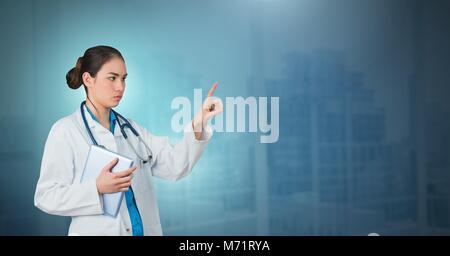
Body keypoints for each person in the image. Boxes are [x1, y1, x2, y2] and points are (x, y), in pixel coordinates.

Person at [34, 45, 223, 235]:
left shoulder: (132, 131)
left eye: (123, 79)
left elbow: (176, 166)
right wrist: (96, 188)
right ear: (88, 79)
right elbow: (46, 196)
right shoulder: (66, 131)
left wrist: (199, 121)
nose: (120, 87)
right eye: (112, 78)